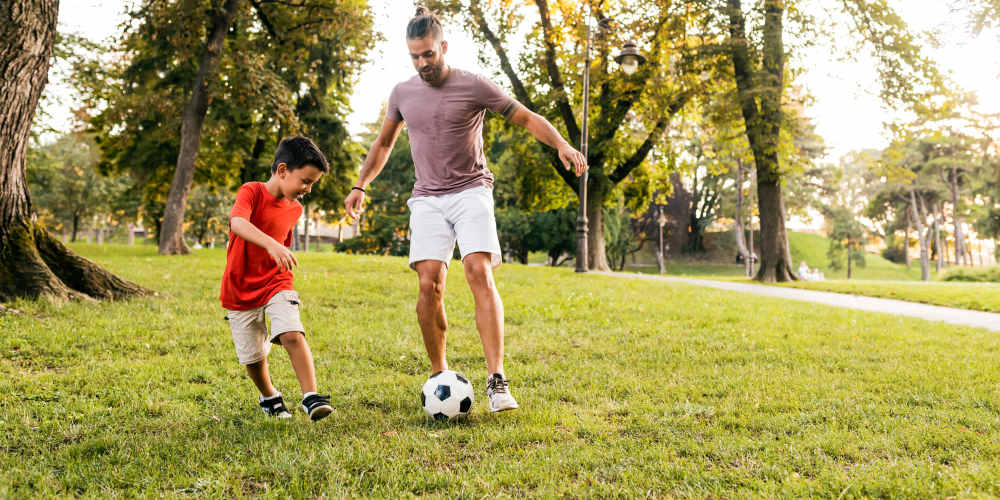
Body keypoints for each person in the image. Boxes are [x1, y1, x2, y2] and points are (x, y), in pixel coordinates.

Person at [344, 7, 587, 413]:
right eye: (415, 56)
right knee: (429, 283)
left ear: (443, 47)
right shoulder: (402, 93)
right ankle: (440, 374)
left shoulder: (473, 85)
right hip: (426, 197)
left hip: (471, 188)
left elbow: (524, 116)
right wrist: (360, 184)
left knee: (477, 268)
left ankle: (496, 379)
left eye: (428, 54)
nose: (422, 63)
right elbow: (383, 143)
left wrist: (561, 143)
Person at [220, 136, 334, 421]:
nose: (307, 189)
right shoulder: (252, 192)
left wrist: (278, 249)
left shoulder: (295, 209)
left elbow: (283, 244)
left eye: (312, 184)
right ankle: (269, 395)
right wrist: (269, 243)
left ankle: (311, 396)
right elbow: (237, 222)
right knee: (253, 357)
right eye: (305, 181)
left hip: (276, 282)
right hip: (239, 288)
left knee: (292, 333)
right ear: (282, 170)